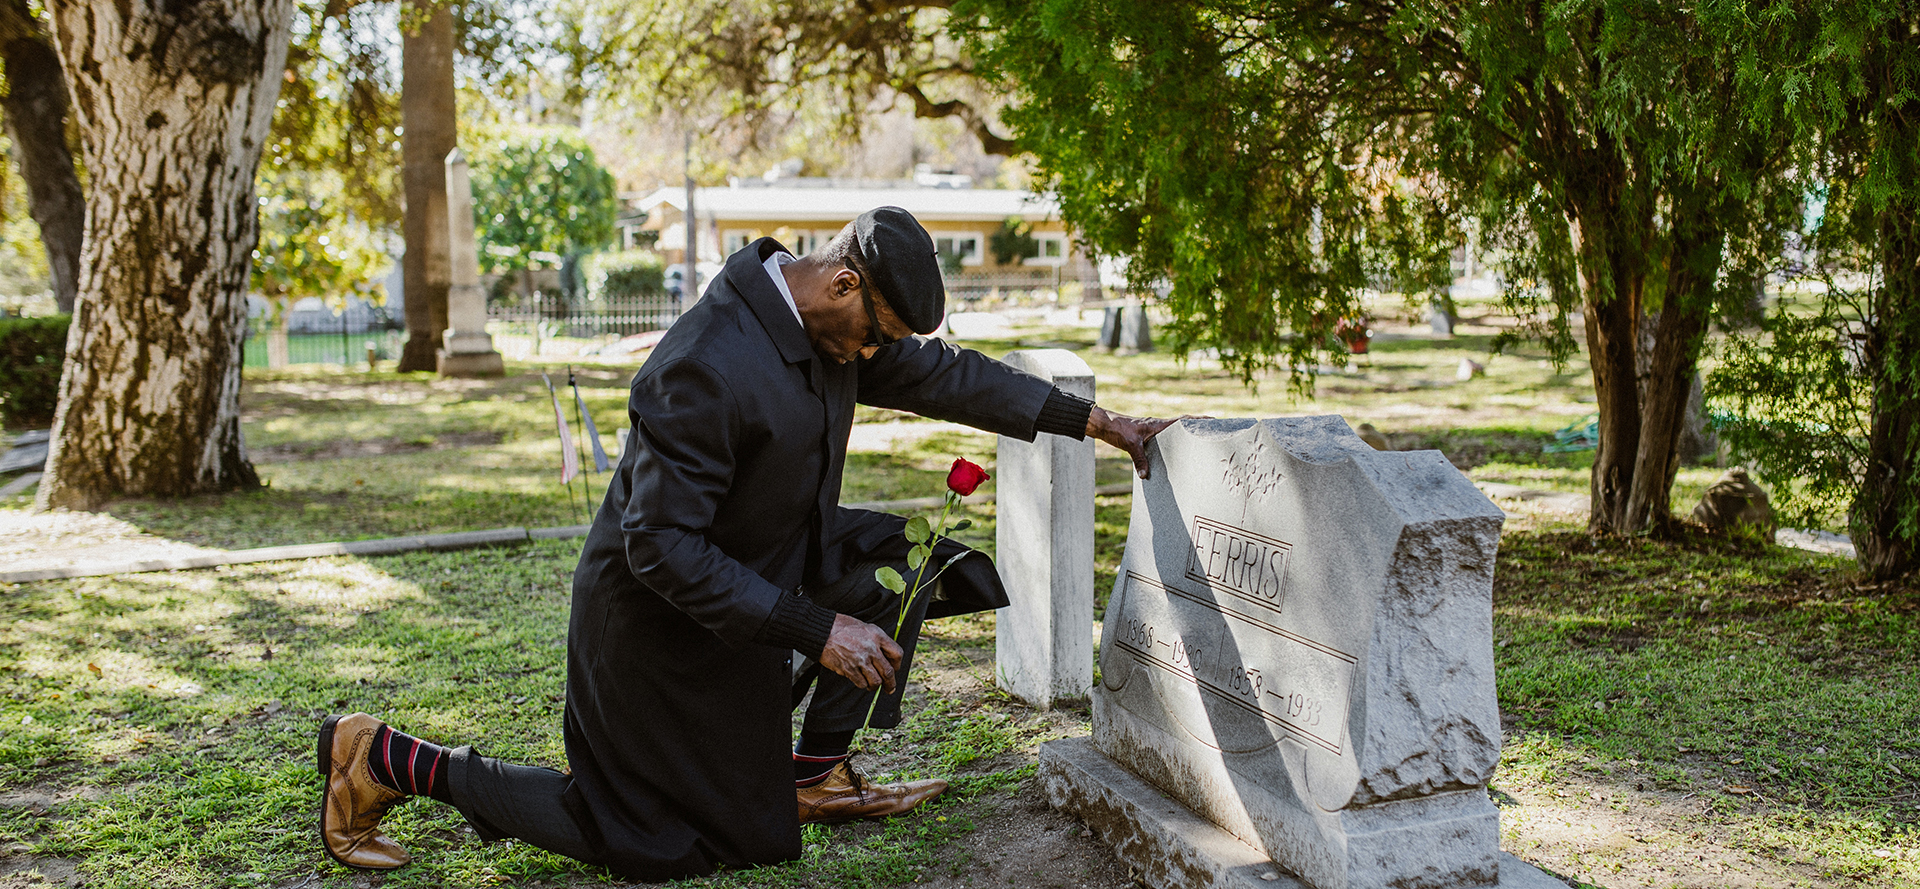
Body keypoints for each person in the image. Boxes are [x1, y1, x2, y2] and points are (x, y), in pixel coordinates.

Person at [318, 207, 1174, 880]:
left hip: (767, 566)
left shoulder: (831, 327)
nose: (877, 356)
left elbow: (946, 375)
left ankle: (814, 773)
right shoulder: (705, 364)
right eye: (877, 335)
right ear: (842, 283)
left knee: (914, 563)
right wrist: (819, 628)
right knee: (651, 842)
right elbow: (657, 545)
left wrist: (1098, 421)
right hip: (660, 622)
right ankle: (383, 757)